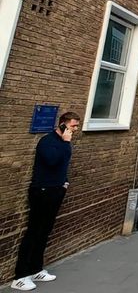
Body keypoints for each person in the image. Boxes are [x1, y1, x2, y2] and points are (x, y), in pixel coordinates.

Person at [13, 111, 81, 291]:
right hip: (42, 191)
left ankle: (36, 269)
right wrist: (66, 143)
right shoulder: (47, 142)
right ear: (63, 125)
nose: (75, 129)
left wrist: (64, 183)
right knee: (34, 232)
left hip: (56, 190)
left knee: (45, 231)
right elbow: (52, 161)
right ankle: (20, 276)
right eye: (73, 125)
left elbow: (63, 164)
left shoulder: (62, 143)